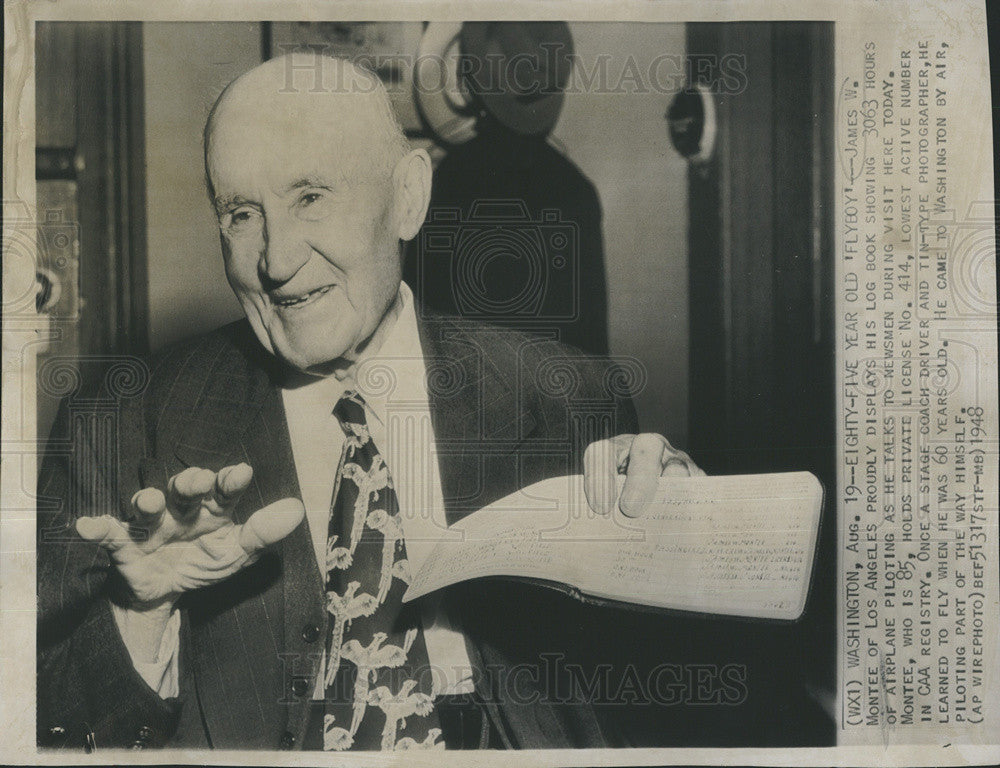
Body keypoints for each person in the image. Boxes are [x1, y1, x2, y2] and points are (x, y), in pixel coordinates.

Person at [36, 53, 701, 751]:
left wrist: (682, 540)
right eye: (241, 213)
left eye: (312, 197)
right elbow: (39, 721)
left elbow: (662, 704)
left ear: (408, 196)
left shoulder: (566, 402)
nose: (277, 259)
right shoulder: (116, 423)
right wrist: (140, 615)